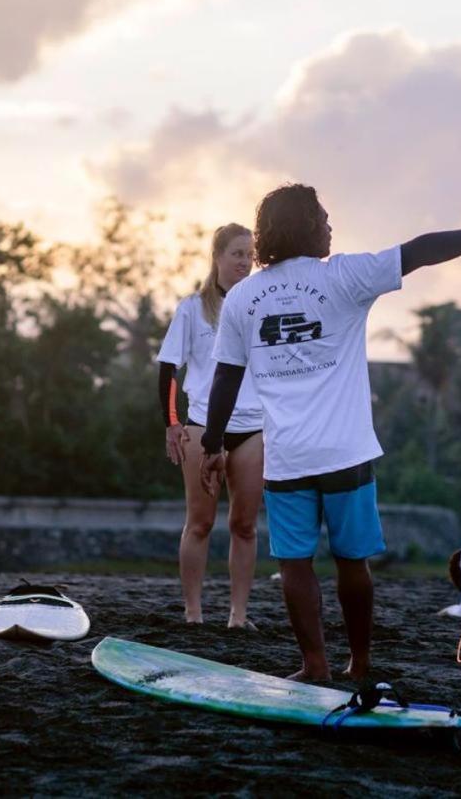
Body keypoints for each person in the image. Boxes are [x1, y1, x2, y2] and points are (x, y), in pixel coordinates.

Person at [201, 182, 461, 681]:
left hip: (288, 456)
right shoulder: (344, 276)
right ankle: (358, 662)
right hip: (344, 454)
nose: (330, 225)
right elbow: (422, 250)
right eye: (322, 217)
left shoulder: (243, 297)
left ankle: (314, 665)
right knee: (350, 562)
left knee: (295, 565)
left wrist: (213, 445)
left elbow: (226, 376)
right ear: (304, 225)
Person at [156, 224, 264, 628]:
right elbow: (169, 368)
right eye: (237, 253)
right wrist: (171, 424)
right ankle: (193, 612)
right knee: (200, 522)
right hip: (201, 427)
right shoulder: (192, 309)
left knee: (244, 525)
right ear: (217, 256)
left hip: (253, 428)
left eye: (250, 255)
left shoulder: (259, 307)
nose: (244, 262)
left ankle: (238, 615)